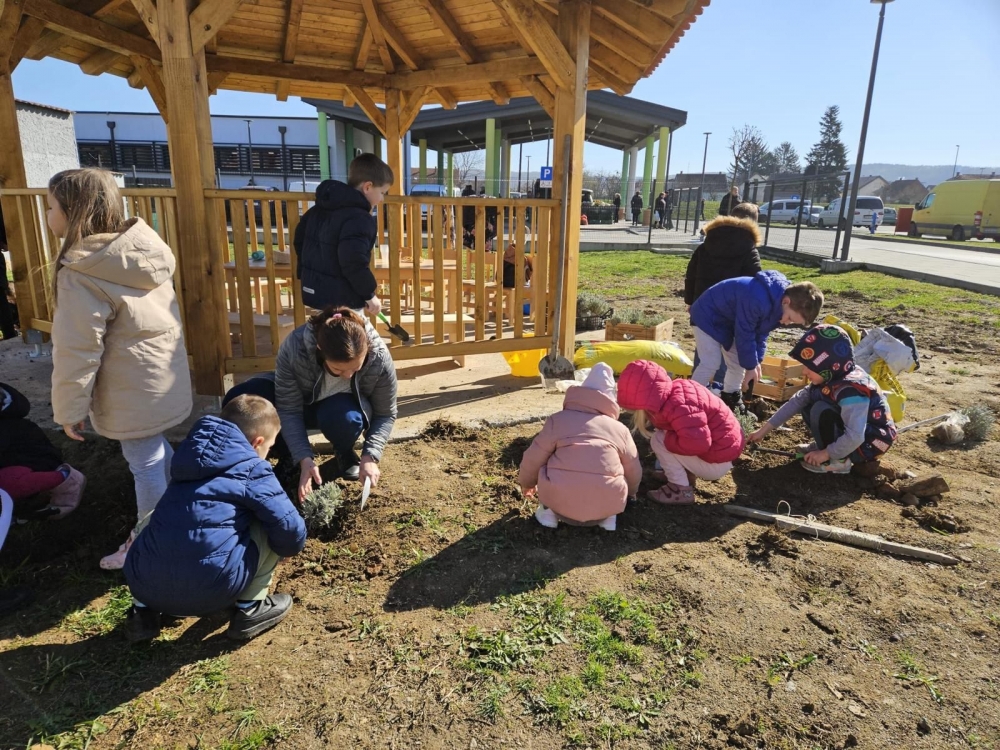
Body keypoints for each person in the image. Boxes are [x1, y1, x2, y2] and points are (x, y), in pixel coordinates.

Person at [46, 169, 192, 570]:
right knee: (155, 452)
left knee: (144, 465)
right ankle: (177, 515)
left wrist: (69, 409)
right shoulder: (143, 253)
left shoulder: (83, 272)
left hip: (128, 389)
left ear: (73, 212)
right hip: (162, 380)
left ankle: (153, 542)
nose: (47, 214)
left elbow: (77, 349)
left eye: (51, 206)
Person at [123, 395, 307, 642]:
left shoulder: (187, 457)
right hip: (213, 591)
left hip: (144, 584)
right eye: (270, 447)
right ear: (257, 442)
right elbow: (291, 530)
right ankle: (250, 610)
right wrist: (285, 549)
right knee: (271, 524)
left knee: (156, 518)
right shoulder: (252, 468)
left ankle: (141, 615)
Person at [222, 308, 397, 497]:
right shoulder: (295, 347)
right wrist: (305, 459)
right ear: (320, 350)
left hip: (337, 408)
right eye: (338, 369)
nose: (348, 375)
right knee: (242, 399)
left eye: (356, 368)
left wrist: (370, 456)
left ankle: (343, 451)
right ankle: (288, 456)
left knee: (345, 420)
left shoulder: (378, 356)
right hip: (300, 401)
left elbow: (385, 413)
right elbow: (289, 409)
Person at [749, 324, 896, 474]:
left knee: (821, 409)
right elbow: (796, 401)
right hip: (854, 434)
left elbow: (855, 436)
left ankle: (840, 461)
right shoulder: (831, 376)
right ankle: (827, 446)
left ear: (827, 364)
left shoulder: (851, 391)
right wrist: (763, 431)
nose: (805, 372)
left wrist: (825, 454)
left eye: (810, 367)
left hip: (869, 442)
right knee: (809, 404)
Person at [518, 363, 641, 530]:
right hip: (606, 505)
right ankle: (609, 519)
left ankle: (548, 514)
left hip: (559, 504)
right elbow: (633, 467)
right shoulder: (620, 430)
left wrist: (527, 483)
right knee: (618, 472)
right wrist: (632, 492)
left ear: (580, 393)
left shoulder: (558, 421)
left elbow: (533, 458)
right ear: (612, 401)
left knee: (546, 460)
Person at [689, 270, 824, 412]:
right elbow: (745, 333)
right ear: (786, 302)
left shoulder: (781, 309)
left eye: (792, 323)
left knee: (737, 363)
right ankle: (689, 399)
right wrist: (750, 365)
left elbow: (761, 333)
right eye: (790, 318)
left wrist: (756, 361)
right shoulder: (757, 298)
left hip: (728, 323)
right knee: (711, 361)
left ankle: (730, 397)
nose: (786, 323)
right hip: (707, 315)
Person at [617, 360, 744, 505]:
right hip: (723, 450)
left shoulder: (679, 406)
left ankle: (680, 489)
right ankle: (683, 475)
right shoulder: (678, 391)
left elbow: (698, 443)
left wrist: (670, 442)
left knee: (659, 441)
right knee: (668, 436)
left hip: (716, 461)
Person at [293, 153, 394, 316]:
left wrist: (308, 274)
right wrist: (369, 294)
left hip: (315, 292)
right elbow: (353, 260)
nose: (382, 199)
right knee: (352, 338)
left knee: (323, 336)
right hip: (345, 299)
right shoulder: (360, 219)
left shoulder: (316, 210)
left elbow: (300, 241)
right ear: (367, 187)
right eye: (383, 192)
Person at [1, 381, 85, 518]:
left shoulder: (9, 427)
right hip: (12, 465)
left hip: (33, 466)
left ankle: (65, 478)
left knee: (8, 482)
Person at [684, 203, 762, 307]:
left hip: (703, 306)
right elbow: (753, 283)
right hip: (732, 310)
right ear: (753, 222)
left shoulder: (705, 246)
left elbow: (691, 275)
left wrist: (690, 302)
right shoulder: (749, 250)